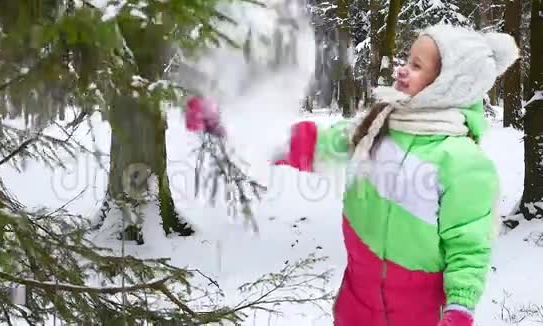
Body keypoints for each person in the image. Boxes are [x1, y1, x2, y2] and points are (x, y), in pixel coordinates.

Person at [185, 23, 519, 326]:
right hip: (356, 307)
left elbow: (468, 244)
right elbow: (311, 143)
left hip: (420, 315)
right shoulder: (376, 128)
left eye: (417, 66)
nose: (402, 69)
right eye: (407, 59)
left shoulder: (463, 162)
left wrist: (460, 308)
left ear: (447, 85)